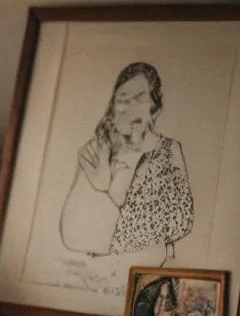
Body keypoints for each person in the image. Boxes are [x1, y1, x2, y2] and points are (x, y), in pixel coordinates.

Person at [60, 61, 194, 259]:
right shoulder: (97, 149)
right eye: (122, 100)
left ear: (154, 108)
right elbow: (72, 235)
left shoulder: (167, 152)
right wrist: (102, 188)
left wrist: (104, 189)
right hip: (92, 273)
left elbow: (179, 224)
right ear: (113, 106)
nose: (130, 109)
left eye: (139, 99)